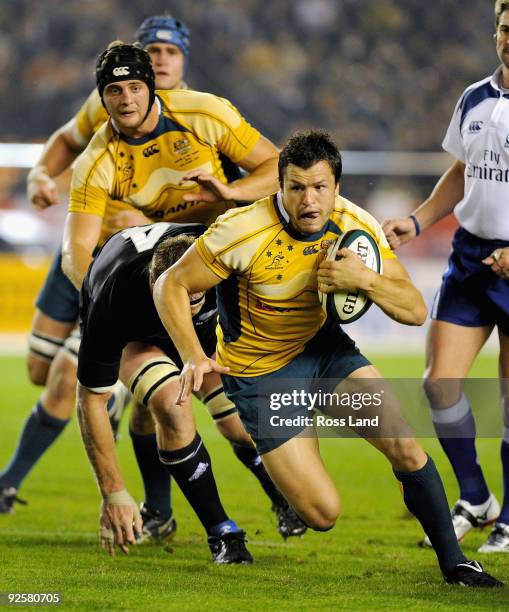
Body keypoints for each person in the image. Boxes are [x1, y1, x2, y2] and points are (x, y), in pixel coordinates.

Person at [152, 130, 503, 586]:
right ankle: (287, 442)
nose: (309, 200)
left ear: (336, 187)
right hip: (262, 376)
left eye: (319, 187)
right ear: (279, 187)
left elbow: (415, 311)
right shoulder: (240, 230)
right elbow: (169, 285)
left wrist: (366, 279)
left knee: (405, 444)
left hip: (325, 354)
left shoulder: (356, 226)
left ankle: (455, 563)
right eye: (296, 188)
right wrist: (193, 355)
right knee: (323, 513)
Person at [1, 22, 299, 543]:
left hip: (197, 270)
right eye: (115, 88)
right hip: (120, 272)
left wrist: (226, 194)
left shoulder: (206, 113)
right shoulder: (98, 145)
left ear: (171, 70)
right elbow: (76, 248)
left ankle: (264, 500)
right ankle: (162, 506)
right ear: (103, 93)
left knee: (199, 394)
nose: (129, 92)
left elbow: (276, 171)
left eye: (163, 57)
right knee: (58, 374)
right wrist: (104, 297)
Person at [382, 0, 509, 553]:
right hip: (470, 258)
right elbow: (461, 173)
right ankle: (477, 497)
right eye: (506, 28)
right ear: (496, 31)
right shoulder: (474, 97)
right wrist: (417, 219)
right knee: (439, 383)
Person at [76, 220, 252, 563]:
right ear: (155, 286)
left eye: (195, 300)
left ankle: (276, 493)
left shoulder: (224, 260)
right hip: (138, 336)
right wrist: (113, 493)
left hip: (206, 332)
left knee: (243, 425)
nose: (184, 313)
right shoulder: (115, 300)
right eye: (175, 301)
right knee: (170, 405)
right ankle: (223, 533)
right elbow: (90, 401)